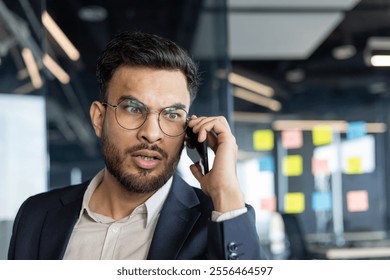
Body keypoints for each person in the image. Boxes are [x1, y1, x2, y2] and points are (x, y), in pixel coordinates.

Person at [8, 31, 265, 260]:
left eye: (172, 114)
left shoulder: (220, 220)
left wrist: (227, 194)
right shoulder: (37, 215)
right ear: (100, 118)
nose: (151, 134)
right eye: (133, 108)